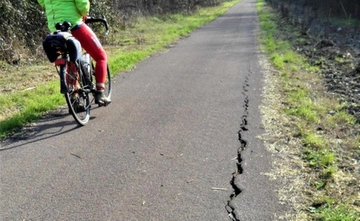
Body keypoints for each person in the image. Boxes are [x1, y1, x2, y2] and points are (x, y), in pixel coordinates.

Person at [37, 0, 111, 106]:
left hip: (55, 29)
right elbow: (82, 3)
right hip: (74, 25)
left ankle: (74, 97)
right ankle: (100, 93)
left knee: (72, 58)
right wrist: (84, 13)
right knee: (101, 56)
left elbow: (42, 2)